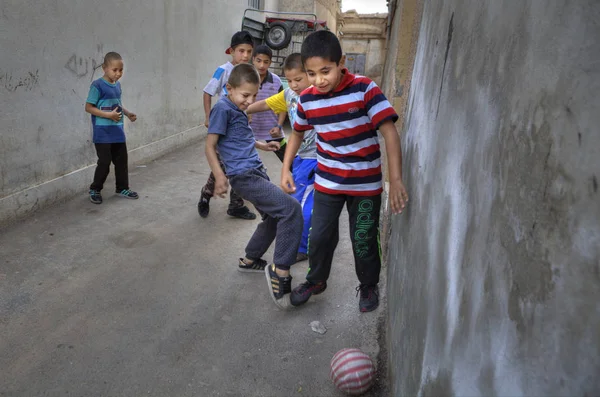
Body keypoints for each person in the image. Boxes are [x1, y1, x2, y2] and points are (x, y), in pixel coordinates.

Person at [281, 31, 409, 312]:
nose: (319, 80)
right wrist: (286, 169)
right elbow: (297, 134)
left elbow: (389, 132)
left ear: (341, 62)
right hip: (328, 181)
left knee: (363, 235)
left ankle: (368, 285)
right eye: (311, 74)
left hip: (365, 185)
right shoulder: (307, 100)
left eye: (325, 71)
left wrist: (395, 180)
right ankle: (316, 280)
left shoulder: (365, 89)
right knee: (319, 236)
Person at [205, 63, 303, 309]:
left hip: (255, 170)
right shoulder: (222, 109)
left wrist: (262, 145)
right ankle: (280, 272)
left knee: (272, 216)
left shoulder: (238, 109)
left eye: (253, 96)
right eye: (245, 95)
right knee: (291, 210)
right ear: (229, 88)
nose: (249, 101)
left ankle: (250, 260)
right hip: (244, 176)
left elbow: (240, 138)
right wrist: (219, 175)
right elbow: (210, 145)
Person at [246, 53, 316, 263]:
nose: (294, 85)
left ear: (308, 74)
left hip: (315, 158)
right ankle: (301, 244)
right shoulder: (289, 95)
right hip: (300, 157)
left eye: (299, 79)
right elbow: (265, 104)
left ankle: (301, 248)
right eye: (290, 80)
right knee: (298, 202)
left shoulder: (317, 96)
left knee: (300, 205)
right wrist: (241, 109)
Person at [198, 31, 257, 220]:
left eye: (249, 51)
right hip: (224, 126)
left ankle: (236, 205)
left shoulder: (249, 71)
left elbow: (249, 98)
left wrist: (248, 116)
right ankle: (206, 194)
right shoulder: (222, 70)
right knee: (223, 164)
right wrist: (208, 117)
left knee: (241, 165)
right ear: (232, 51)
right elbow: (208, 92)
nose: (245, 56)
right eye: (241, 51)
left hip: (239, 126)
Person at [86, 52, 138, 204]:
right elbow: (89, 107)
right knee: (104, 162)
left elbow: (117, 104)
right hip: (102, 133)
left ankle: (122, 187)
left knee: (122, 161)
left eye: (120, 70)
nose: (118, 73)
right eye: (114, 70)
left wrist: (127, 113)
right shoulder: (97, 86)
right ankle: (95, 189)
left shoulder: (117, 85)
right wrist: (108, 115)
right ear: (104, 68)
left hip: (117, 131)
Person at [249, 44, 288, 162]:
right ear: (253, 59)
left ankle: (299, 179)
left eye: (266, 62)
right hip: (249, 129)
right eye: (258, 60)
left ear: (270, 62)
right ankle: (215, 180)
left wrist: (279, 126)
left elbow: (282, 106)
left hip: (272, 130)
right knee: (234, 159)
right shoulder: (245, 78)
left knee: (289, 160)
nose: (262, 65)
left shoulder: (276, 81)